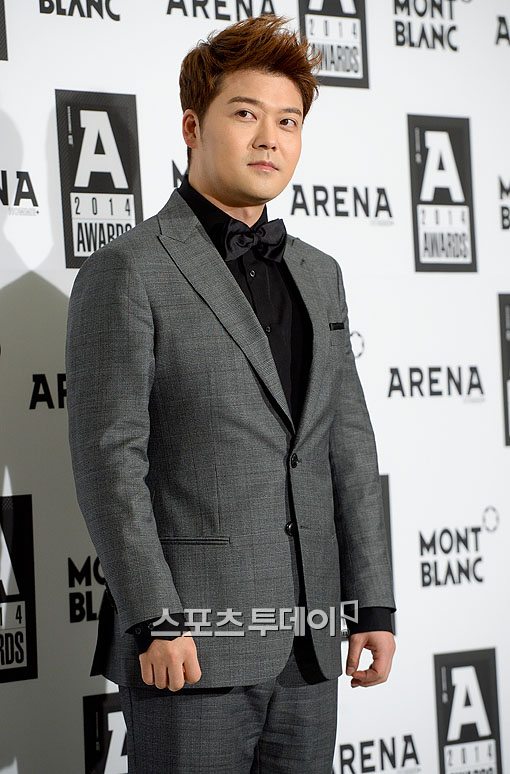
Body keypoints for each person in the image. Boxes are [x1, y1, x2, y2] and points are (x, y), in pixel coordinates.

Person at [66, 13, 396, 773]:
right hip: (189, 648)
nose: (269, 138)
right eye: (246, 114)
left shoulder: (319, 273)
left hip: (310, 646)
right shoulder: (129, 269)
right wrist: (155, 618)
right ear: (193, 126)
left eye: (288, 120)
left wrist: (372, 602)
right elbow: (110, 464)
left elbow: (348, 445)